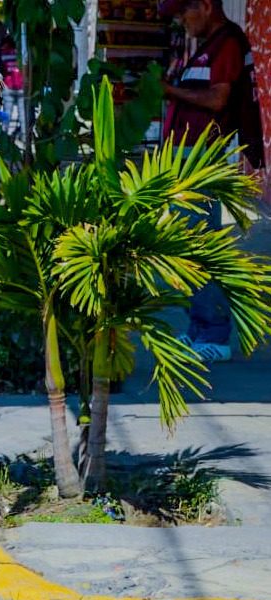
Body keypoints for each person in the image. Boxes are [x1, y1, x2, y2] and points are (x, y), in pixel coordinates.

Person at [159, 0, 264, 364]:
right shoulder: (206, 46)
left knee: (202, 249)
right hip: (189, 164)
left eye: (183, 13)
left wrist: (170, 91)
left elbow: (219, 98)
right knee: (189, 249)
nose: (181, 21)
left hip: (206, 165)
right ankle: (198, 327)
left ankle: (215, 335)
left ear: (205, 6)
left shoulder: (228, 43)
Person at [0, 36, 25, 139]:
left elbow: (1, 67)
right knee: (23, 114)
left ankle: (4, 135)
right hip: (21, 86)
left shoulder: (3, 53)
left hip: (8, 87)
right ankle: (24, 136)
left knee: (6, 112)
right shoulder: (20, 53)